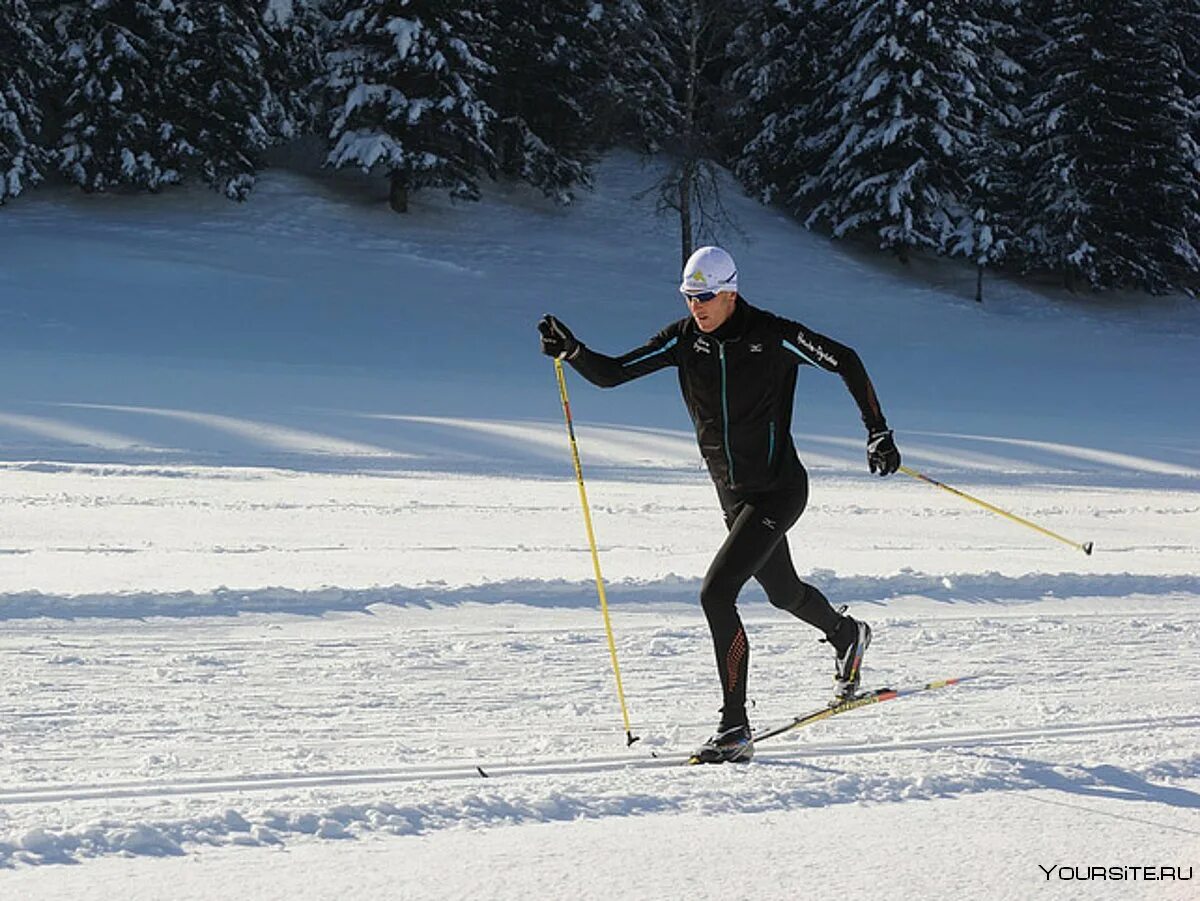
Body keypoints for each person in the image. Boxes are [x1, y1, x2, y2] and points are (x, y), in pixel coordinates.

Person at [537, 246, 901, 764]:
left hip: (779, 489)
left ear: (730, 291)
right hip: (732, 493)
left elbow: (846, 359)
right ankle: (847, 634)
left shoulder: (771, 335)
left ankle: (735, 728)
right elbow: (614, 372)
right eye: (689, 297)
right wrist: (572, 351)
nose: (696, 308)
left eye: (705, 296)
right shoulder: (685, 340)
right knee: (783, 592)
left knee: (716, 594)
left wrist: (877, 431)